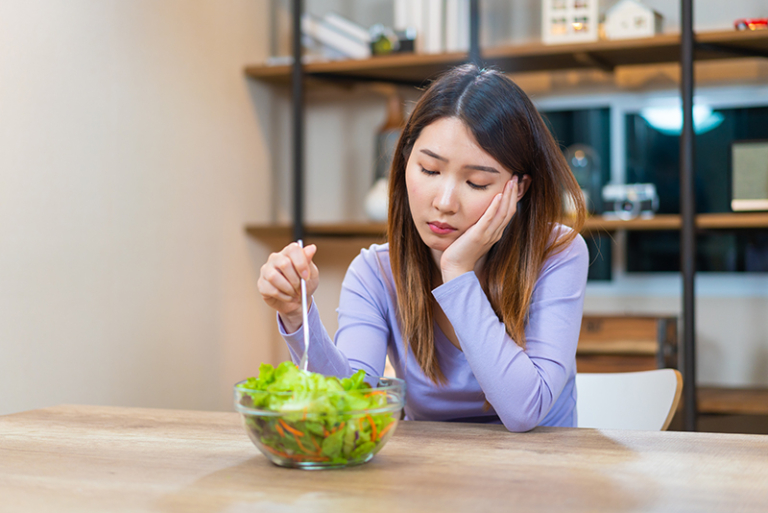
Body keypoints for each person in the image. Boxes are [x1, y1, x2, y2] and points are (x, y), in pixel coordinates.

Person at [257, 64, 588, 432]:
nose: (445, 202)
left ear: (519, 188)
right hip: (429, 466)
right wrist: (296, 315)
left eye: (477, 182)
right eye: (430, 170)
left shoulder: (558, 253)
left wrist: (457, 272)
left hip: (540, 465)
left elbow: (524, 410)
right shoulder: (376, 273)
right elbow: (349, 403)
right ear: (405, 162)